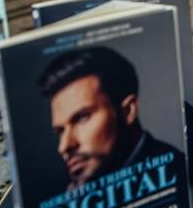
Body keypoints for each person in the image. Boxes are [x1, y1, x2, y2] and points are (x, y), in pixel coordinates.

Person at [38, 47, 183, 188]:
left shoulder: (179, 172)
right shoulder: (78, 191)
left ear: (128, 111)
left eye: (82, 118)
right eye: (60, 131)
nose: (64, 146)